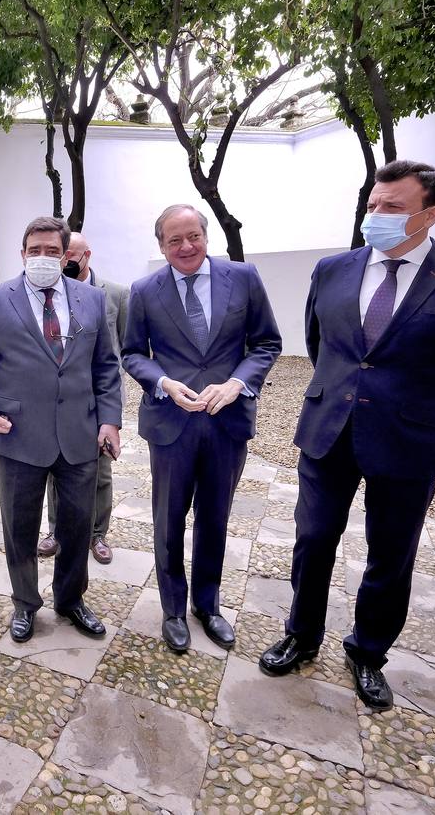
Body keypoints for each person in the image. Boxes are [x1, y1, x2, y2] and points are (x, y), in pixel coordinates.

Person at [259, 161, 435, 712]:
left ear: (430, 214)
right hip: (329, 433)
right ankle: (302, 635)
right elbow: (322, 343)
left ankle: (369, 651)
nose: (376, 216)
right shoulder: (332, 270)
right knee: (314, 539)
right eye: (373, 205)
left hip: (408, 441)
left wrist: (426, 410)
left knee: (391, 554)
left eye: (392, 208)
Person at [123, 206, 281, 652]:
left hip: (226, 422)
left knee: (215, 518)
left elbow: (267, 342)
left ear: (205, 235)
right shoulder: (145, 290)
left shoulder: (244, 278)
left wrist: (238, 383)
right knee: (169, 521)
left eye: (193, 236)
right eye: (175, 241)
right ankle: (173, 608)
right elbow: (132, 352)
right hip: (171, 423)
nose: (186, 247)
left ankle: (207, 605)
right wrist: (162, 382)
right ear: (161, 246)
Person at [0, 217, 124, 644]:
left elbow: (106, 365)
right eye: (34, 250)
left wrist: (110, 419)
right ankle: (25, 603)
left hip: (80, 432)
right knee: (20, 528)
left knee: (77, 525)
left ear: (66, 255)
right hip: (17, 432)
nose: (42, 258)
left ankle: (71, 599)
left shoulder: (91, 299)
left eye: (52, 251)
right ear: (22, 254)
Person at [40, 231, 130, 565]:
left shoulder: (116, 294)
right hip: (60, 400)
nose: (62, 262)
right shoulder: (49, 291)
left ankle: (97, 534)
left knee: (100, 471)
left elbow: (124, 348)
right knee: (54, 467)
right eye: (58, 256)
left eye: (68, 255)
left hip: (99, 401)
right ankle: (55, 530)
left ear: (86, 255)